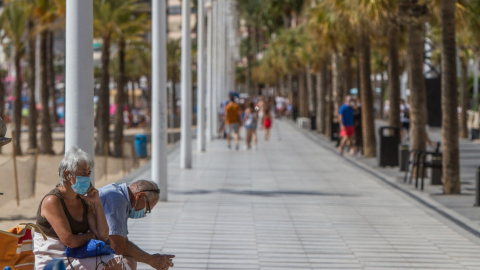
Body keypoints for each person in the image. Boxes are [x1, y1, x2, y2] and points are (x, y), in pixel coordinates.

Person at [34, 146, 126, 269]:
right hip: (55, 260)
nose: (87, 178)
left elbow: (103, 235)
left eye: (89, 173)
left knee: (119, 262)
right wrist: (91, 236)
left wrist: (97, 203)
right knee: (114, 263)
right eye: (83, 173)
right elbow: (70, 241)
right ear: (68, 174)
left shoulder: (83, 200)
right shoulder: (52, 201)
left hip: (77, 256)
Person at [98, 180, 175, 270]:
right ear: (140, 196)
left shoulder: (121, 197)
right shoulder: (116, 200)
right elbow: (118, 246)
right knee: (127, 263)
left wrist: (152, 258)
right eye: (147, 208)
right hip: (82, 251)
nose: (145, 213)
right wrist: (151, 260)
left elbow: (124, 242)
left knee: (129, 260)